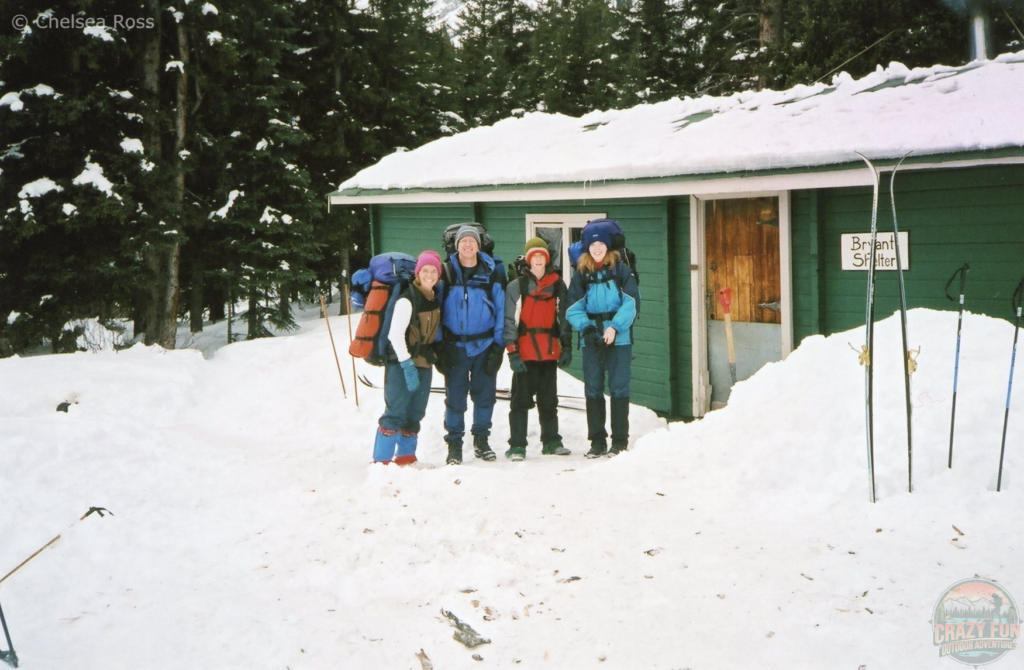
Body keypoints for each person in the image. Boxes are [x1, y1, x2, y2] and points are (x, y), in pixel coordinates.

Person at [566, 222, 640, 458]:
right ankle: (597, 441)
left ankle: (619, 441)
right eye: (593, 244)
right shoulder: (581, 273)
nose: (597, 248)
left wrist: (615, 328)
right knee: (594, 390)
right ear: (588, 248)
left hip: (619, 339)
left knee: (619, 389)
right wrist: (586, 329)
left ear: (607, 246)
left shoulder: (621, 271)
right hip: (593, 339)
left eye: (601, 244)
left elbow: (632, 304)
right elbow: (572, 308)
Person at [438, 225, 506, 465]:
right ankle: (454, 443)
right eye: (463, 241)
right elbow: (435, 311)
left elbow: (501, 311)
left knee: (484, 396)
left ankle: (481, 440)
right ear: (457, 246)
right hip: (454, 347)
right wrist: (439, 347)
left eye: (472, 241)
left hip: (485, 344)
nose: (468, 245)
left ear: (478, 245)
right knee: (455, 398)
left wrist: (498, 348)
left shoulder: (492, 272)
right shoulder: (446, 273)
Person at [503, 237, 573, 461]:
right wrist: (512, 352)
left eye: (542, 256)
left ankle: (551, 441)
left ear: (547, 259)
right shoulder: (517, 286)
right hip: (525, 352)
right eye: (535, 257)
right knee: (520, 402)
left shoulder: (558, 284)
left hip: (549, 352)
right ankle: (517, 445)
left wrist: (567, 345)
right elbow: (509, 321)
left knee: (549, 400)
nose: (539, 260)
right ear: (529, 260)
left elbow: (564, 317)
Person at [372, 250, 442, 466]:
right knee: (395, 412)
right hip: (401, 365)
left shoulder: (433, 297)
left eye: (434, 271)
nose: (429, 275)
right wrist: (407, 364)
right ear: (418, 273)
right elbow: (395, 334)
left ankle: (406, 458)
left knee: (415, 413)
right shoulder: (407, 299)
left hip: (424, 364)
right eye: (425, 270)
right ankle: (381, 462)